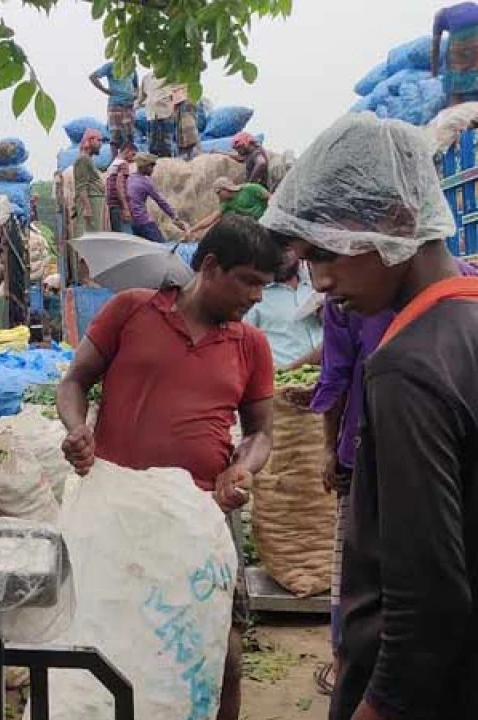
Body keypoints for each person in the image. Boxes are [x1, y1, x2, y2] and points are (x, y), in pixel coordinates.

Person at [261, 113, 478, 720]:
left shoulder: (406, 368)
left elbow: (426, 600)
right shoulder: (465, 323)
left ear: (399, 221)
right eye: (308, 257)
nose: (321, 280)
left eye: (328, 253)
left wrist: (377, 706)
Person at [57, 214, 283, 720]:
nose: (256, 297)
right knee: (109, 628)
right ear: (209, 265)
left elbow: (261, 433)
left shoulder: (250, 346)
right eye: (249, 281)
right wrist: (77, 430)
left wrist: (241, 469)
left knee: (219, 645)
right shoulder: (131, 311)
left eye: (264, 286)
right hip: (117, 511)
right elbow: (75, 381)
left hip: (201, 515)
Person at [243, 246, 322, 370]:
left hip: (332, 376)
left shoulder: (317, 281)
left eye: (286, 249)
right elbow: (245, 348)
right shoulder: (255, 294)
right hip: (286, 382)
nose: (281, 256)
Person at [126, 153, 188, 243]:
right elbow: (161, 201)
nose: (153, 169)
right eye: (151, 166)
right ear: (144, 167)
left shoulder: (130, 178)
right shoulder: (146, 182)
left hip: (133, 223)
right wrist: (175, 217)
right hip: (144, 222)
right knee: (162, 247)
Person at [188, 178, 273, 238]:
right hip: (255, 229)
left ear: (225, 188)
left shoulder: (251, 188)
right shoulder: (227, 204)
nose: (218, 196)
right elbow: (211, 218)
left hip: (268, 223)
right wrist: (192, 230)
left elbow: (271, 198)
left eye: (218, 192)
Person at [433, 3, 478, 106]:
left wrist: (434, 73)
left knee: (454, 83)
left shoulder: (439, 16)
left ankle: (455, 108)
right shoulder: (471, 6)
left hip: (459, 47)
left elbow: (435, 47)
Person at [89, 61, 139, 149]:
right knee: (116, 136)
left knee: (129, 136)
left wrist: (135, 95)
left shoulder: (131, 68)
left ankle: (128, 159)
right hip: (115, 104)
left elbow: (136, 86)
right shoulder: (111, 66)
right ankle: (115, 160)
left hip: (129, 106)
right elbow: (93, 77)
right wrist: (105, 90)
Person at [72, 129, 107, 240]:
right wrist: (87, 208)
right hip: (90, 202)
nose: (100, 144)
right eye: (98, 140)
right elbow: (81, 186)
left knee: (94, 237)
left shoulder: (88, 159)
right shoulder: (83, 159)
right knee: (89, 238)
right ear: (90, 140)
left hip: (94, 202)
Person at [138, 72, 179, 157]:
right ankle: (154, 168)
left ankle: (168, 167)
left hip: (166, 116)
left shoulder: (170, 76)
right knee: (152, 147)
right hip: (151, 117)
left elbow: (178, 96)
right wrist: (135, 106)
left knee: (166, 147)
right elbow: (141, 97)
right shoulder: (146, 78)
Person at [105, 143, 137, 234]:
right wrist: (125, 207)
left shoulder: (113, 163)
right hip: (118, 205)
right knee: (123, 235)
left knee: (116, 234)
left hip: (111, 204)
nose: (134, 158)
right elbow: (119, 186)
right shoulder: (123, 164)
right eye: (133, 154)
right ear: (127, 151)